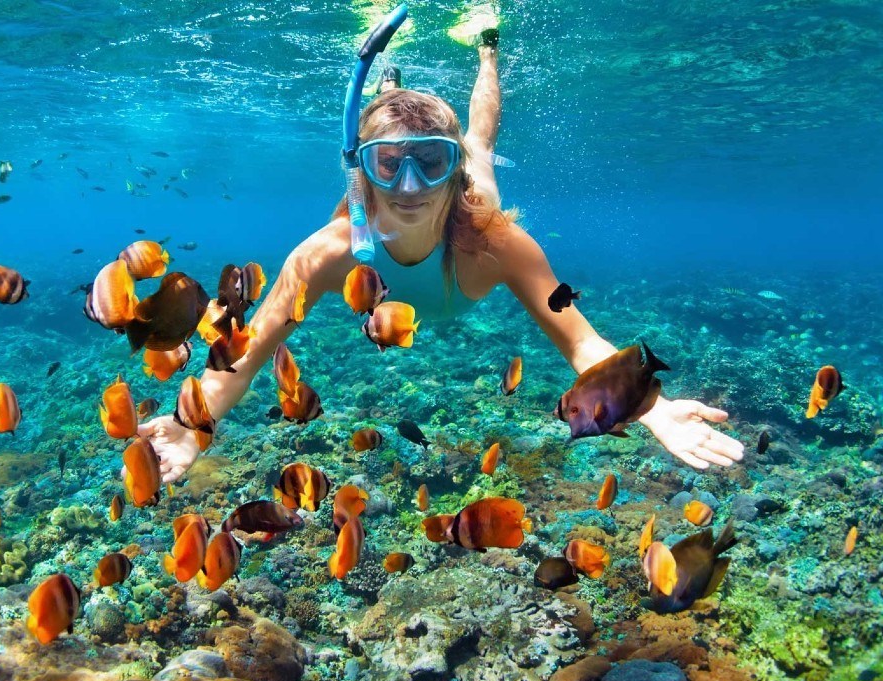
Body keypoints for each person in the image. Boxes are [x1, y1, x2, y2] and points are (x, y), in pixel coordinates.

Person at [137, 18, 745, 482]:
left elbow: (582, 341)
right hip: (364, 214)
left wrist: (649, 405)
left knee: (480, 137)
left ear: (453, 175)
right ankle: (389, 86)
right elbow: (246, 352)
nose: (408, 188)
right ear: (363, 172)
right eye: (388, 164)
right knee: (404, 127)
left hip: (474, 193)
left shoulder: (497, 243)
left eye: (431, 163)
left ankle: (486, 46)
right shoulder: (326, 254)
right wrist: (195, 422)